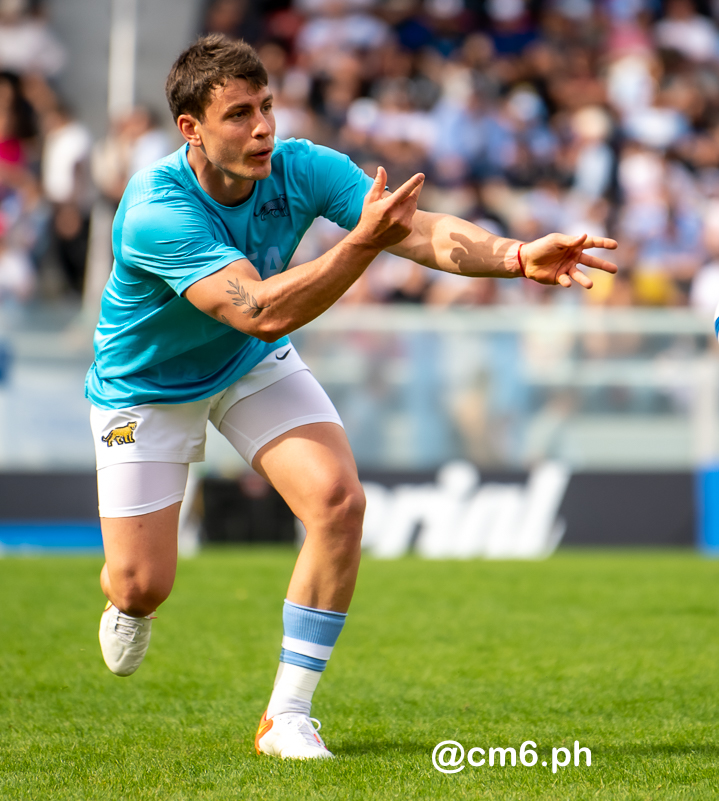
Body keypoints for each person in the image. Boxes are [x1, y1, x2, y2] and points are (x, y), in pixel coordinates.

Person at [87, 34, 617, 761]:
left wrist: (517, 256)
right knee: (144, 583)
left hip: (245, 363)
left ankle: (287, 717)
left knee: (339, 500)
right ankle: (124, 595)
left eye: (267, 106)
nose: (263, 126)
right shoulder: (155, 206)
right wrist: (361, 244)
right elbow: (261, 307)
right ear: (192, 130)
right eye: (239, 114)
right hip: (145, 388)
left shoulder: (301, 167)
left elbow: (420, 232)